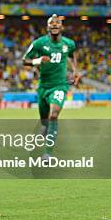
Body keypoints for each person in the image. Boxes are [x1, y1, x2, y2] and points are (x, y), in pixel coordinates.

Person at [22, 15, 80, 158]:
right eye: (51, 23)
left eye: (57, 23)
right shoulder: (39, 43)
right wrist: (38, 60)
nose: (54, 25)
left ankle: (48, 153)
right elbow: (25, 60)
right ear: (47, 27)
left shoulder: (69, 44)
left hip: (60, 85)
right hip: (43, 87)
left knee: (53, 115)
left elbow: (72, 55)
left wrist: (75, 70)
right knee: (45, 120)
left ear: (62, 27)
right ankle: (44, 126)